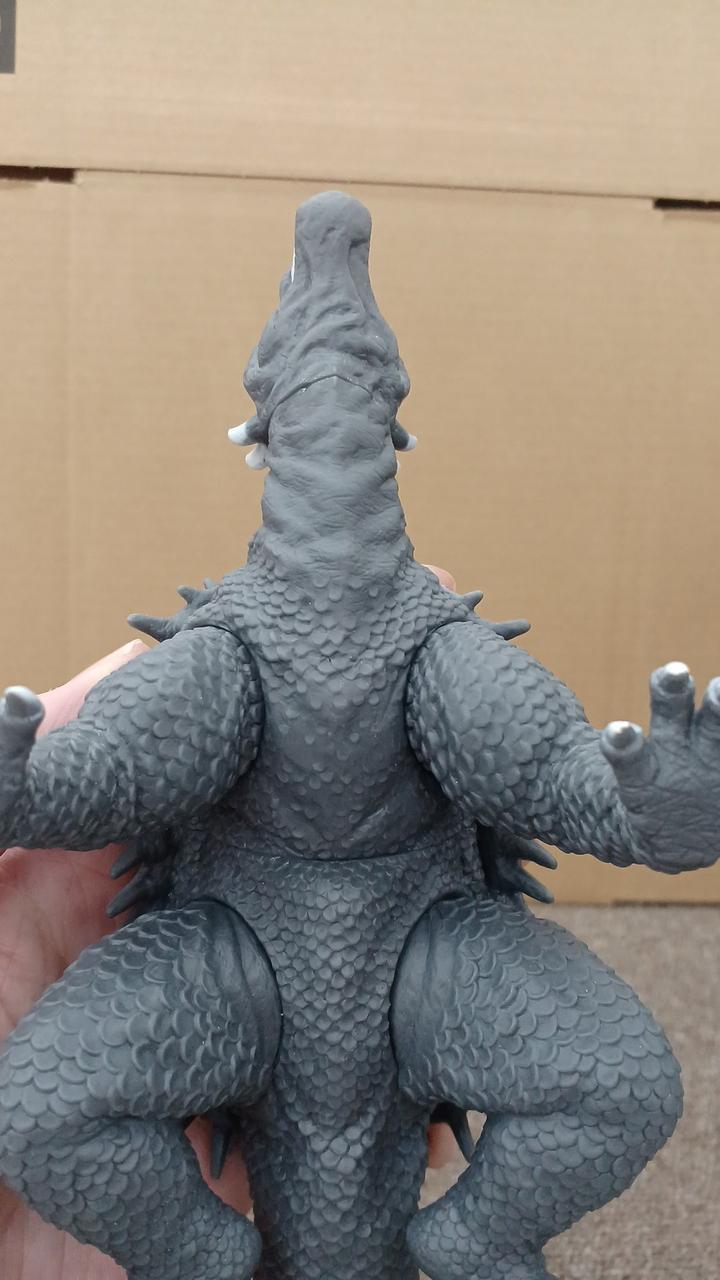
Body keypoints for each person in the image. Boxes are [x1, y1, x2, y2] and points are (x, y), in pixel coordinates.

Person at [0, 570, 457, 1280]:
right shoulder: (218, 653)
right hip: (226, 952)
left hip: (427, 936)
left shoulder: (436, 647)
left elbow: (550, 775)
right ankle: (198, 1254)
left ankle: (479, 1239)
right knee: (41, 1107)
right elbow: (106, 765)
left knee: (619, 1082)